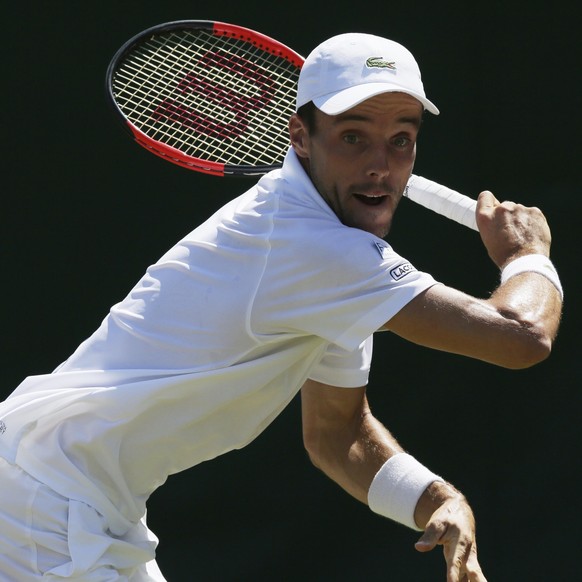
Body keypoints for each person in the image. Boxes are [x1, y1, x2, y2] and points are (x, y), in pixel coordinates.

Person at [0, 31, 562, 581]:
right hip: (42, 508)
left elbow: (337, 432)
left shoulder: (329, 247)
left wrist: (436, 499)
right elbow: (521, 337)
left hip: (78, 505)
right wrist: (528, 255)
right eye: (352, 137)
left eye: (400, 140)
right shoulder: (314, 247)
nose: (379, 165)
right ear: (300, 135)